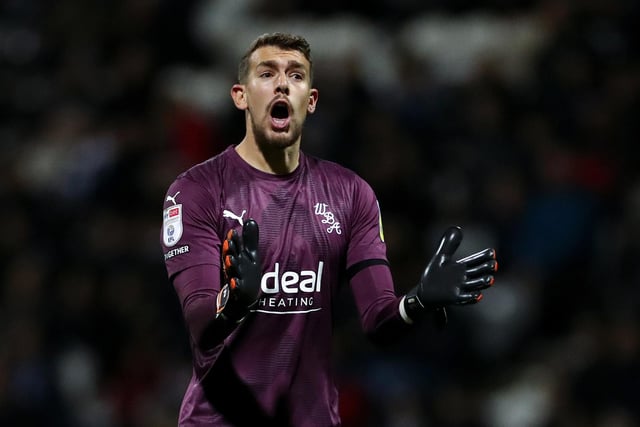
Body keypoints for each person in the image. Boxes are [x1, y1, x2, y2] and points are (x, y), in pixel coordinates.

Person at [160, 32, 498, 427]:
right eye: (267, 73)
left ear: (311, 100)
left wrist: (417, 302)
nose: (282, 83)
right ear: (241, 96)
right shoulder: (197, 190)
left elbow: (379, 323)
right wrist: (235, 302)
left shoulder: (350, 194)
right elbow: (201, 322)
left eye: (296, 75)